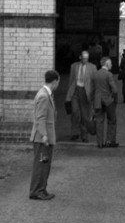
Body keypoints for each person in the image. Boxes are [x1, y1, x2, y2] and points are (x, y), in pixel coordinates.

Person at [29, 70, 60, 200]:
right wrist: (44, 136)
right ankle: (36, 191)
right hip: (42, 138)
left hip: (44, 137)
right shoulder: (44, 96)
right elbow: (40, 118)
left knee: (45, 164)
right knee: (41, 165)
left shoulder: (46, 94)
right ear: (55, 81)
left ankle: (42, 189)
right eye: (58, 81)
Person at [66, 50, 94, 142]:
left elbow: (94, 82)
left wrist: (92, 95)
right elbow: (71, 80)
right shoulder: (74, 66)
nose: (85, 60)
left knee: (84, 115)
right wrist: (68, 94)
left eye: (87, 58)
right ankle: (74, 133)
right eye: (84, 58)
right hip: (75, 91)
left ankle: (84, 135)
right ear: (80, 57)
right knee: (75, 112)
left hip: (86, 92)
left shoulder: (92, 67)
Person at [91, 56, 119, 148]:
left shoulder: (95, 74)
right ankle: (110, 141)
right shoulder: (109, 74)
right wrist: (115, 99)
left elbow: (92, 89)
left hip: (98, 100)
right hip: (108, 100)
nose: (112, 65)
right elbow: (114, 90)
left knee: (99, 121)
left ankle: (99, 142)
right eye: (110, 63)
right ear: (106, 64)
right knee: (112, 120)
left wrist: (92, 100)